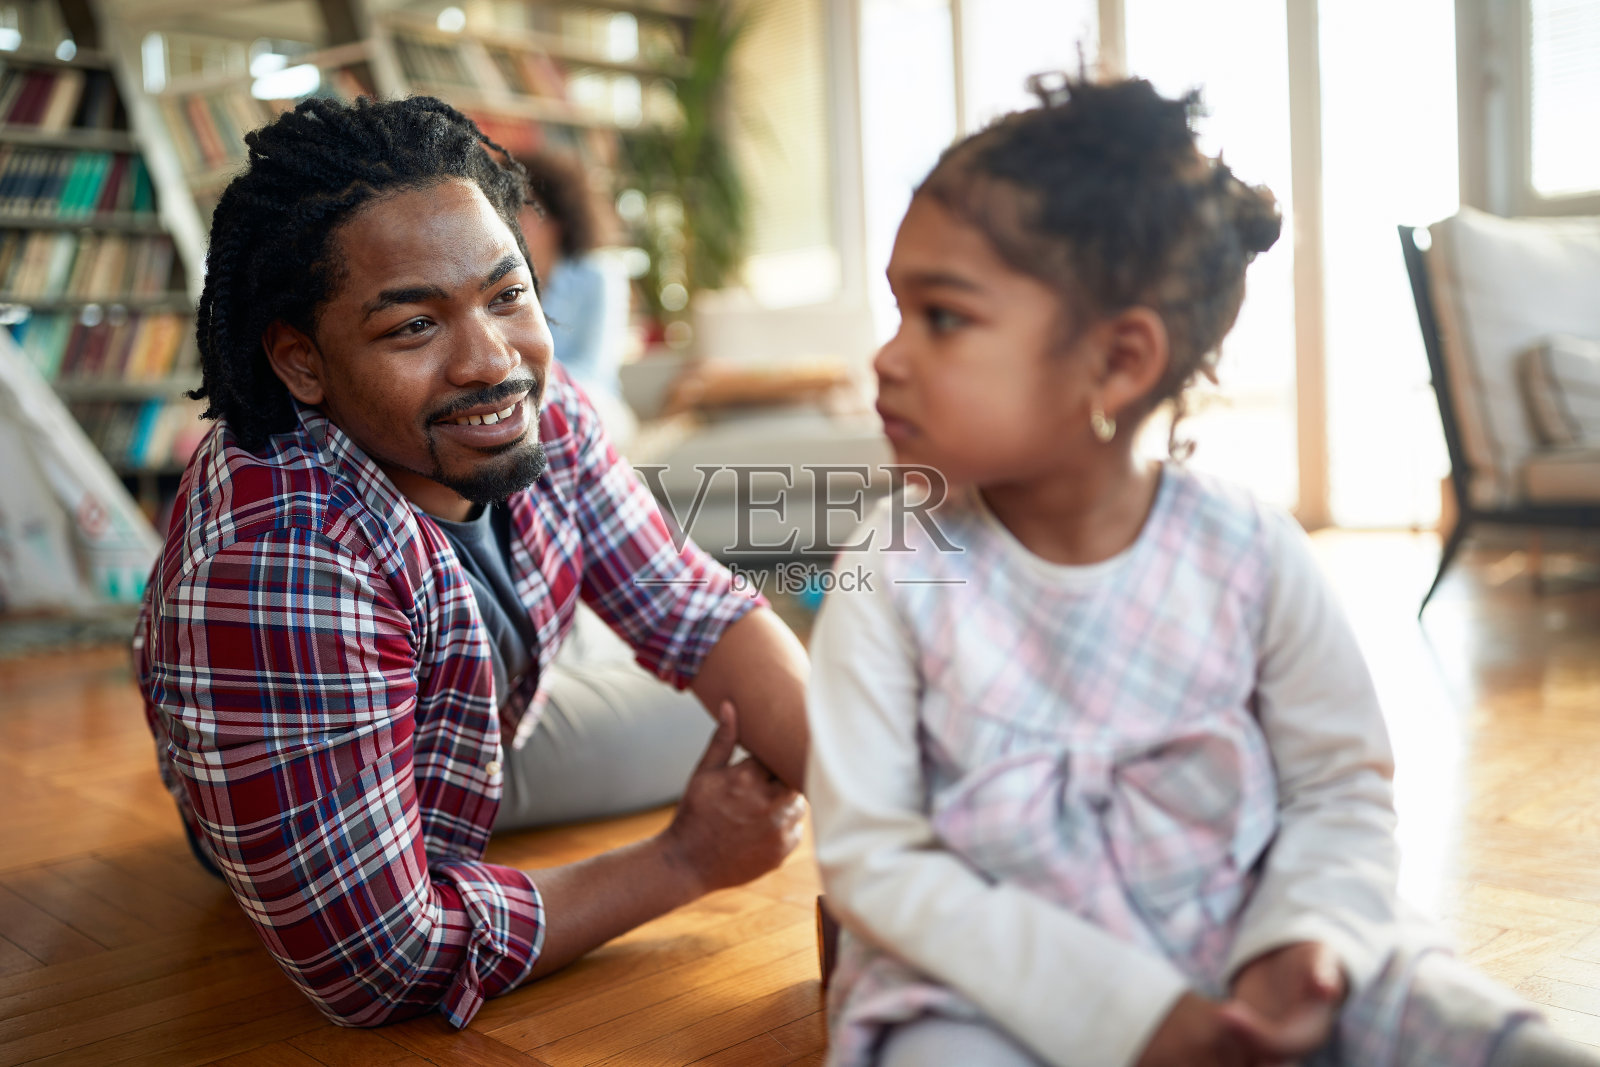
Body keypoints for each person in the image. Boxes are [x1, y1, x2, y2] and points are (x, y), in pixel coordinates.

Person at [804, 75, 1595, 1067]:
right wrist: (1131, 1015)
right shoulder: (891, 568)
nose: (886, 356)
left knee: (1456, 1020)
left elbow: (1336, 788)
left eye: (942, 317)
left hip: (1249, 933)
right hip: (988, 983)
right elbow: (875, 858)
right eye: (896, 309)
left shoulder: (1249, 551)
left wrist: (1300, 942)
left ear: (1118, 362)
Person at [133, 95, 808, 1029]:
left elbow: (688, 605)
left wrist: (894, 837)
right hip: (319, 782)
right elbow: (377, 965)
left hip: (482, 727)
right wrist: (684, 859)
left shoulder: (535, 396)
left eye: (507, 294)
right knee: (756, 731)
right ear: (301, 363)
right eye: (414, 326)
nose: (491, 361)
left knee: (785, 704)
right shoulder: (282, 559)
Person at [517, 151, 635, 444]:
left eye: (521, 207)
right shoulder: (498, 284)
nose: (510, 220)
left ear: (557, 217)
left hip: (591, 401)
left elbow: (595, 367)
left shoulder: (599, 276)